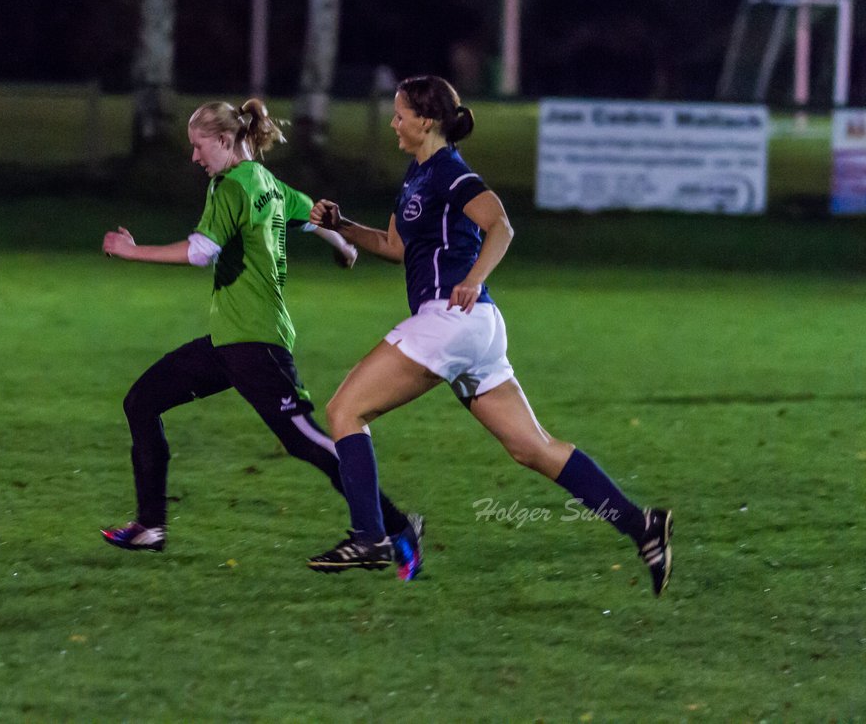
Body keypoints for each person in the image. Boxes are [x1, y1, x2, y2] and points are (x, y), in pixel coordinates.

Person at [303, 75, 673, 596]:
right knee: (534, 449)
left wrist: (473, 279)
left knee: (344, 411)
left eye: (400, 114)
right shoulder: (417, 175)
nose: (393, 123)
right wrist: (343, 225)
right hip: (474, 330)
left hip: (450, 319)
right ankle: (643, 527)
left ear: (426, 121)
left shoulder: (451, 173)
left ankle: (372, 536)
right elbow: (392, 244)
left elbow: (501, 225)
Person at [100, 98, 425, 580]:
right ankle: (150, 526)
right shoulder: (267, 183)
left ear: (227, 141)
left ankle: (397, 528)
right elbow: (313, 217)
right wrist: (343, 248)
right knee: (142, 401)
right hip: (232, 341)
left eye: (198, 146)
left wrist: (131, 252)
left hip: (255, 343)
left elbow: (200, 252)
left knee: (307, 441)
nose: (194, 158)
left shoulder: (230, 185)